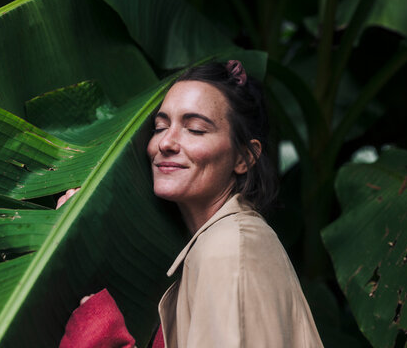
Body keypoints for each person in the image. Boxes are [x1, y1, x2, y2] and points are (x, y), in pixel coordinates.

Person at [60, 60, 323, 347]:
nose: (166, 143)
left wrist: (97, 327)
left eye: (195, 129)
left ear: (244, 157)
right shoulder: (227, 241)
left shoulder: (228, 251)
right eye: (160, 127)